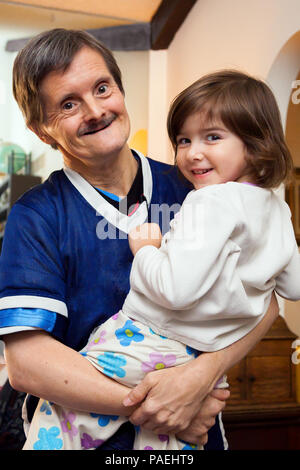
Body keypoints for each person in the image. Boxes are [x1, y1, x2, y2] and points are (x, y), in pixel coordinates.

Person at [0, 29, 279, 451]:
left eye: (102, 88)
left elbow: (266, 300)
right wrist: (159, 406)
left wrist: (198, 380)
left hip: (194, 437)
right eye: (69, 104)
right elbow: (28, 365)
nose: (95, 110)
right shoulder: (37, 215)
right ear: (41, 129)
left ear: (119, 89)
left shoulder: (197, 188)